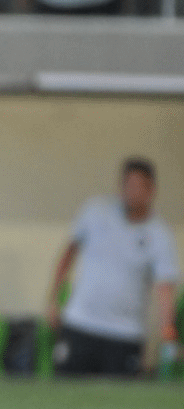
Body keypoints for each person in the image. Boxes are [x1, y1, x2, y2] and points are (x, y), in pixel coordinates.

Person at [46, 158, 179, 377]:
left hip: (125, 335)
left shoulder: (160, 235)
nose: (133, 192)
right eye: (129, 185)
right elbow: (68, 256)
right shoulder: (94, 211)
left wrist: (167, 328)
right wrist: (53, 300)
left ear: (151, 190)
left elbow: (165, 285)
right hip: (79, 325)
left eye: (139, 186)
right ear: (121, 186)